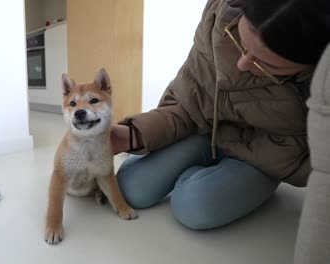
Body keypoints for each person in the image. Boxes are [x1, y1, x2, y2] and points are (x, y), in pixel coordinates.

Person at [111, 0, 330, 230]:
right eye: (244, 39)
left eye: (267, 64)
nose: (243, 63)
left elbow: (305, 159)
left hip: (265, 159)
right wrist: (133, 134)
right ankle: (206, 153)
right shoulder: (221, 17)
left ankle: (211, 165)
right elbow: (190, 98)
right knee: (131, 188)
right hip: (207, 129)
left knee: (193, 205)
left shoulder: (321, 83)